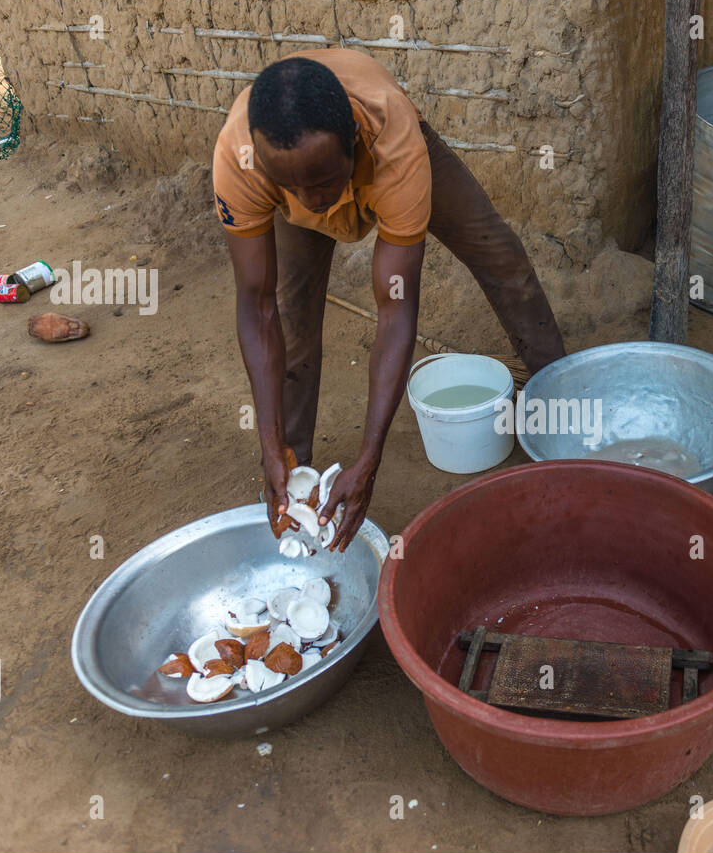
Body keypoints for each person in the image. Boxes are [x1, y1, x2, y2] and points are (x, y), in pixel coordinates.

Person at [213, 49, 566, 548]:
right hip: (303, 170)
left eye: (322, 182)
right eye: (288, 184)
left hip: (387, 160)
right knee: (292, 320)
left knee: (498, 253)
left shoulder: (392, 143)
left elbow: (396, 310)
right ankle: (293, 483)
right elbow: (256, 305)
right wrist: (269, 444)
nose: (310, 200)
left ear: (353, 146)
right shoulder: (241, 159)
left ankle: (561, 403)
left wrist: (369, 460)